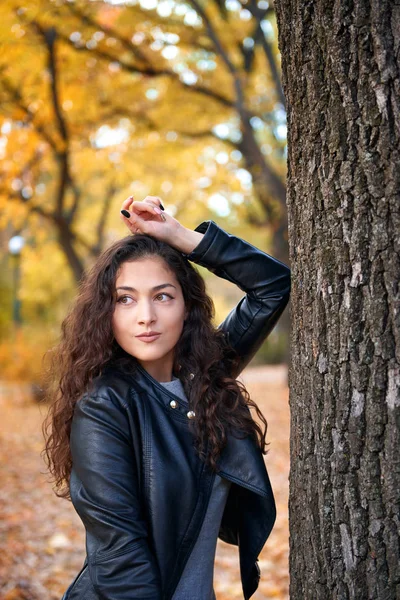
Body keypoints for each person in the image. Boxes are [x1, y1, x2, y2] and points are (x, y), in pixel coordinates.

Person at [43, 195, 291, 600]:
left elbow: (274, 285)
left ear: (187, 306)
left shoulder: (206, 375)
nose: (145, 316)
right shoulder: (104, 407)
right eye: (125, 299)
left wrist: (178, 236)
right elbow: (120, 559)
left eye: (162, 296)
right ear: (106, 312)